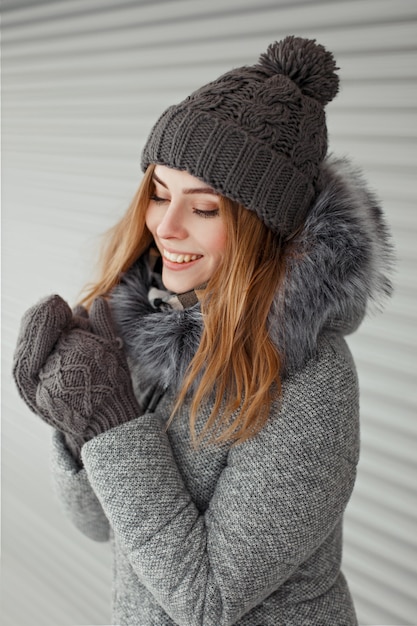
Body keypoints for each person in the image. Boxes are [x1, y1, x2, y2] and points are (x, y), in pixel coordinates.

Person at [13, 36, 393, 625]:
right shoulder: (153, 322)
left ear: (265, 226)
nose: (166, 226)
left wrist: (114, 421)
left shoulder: (313, 384)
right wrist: (75, 419)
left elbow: (206, 600)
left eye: (204, 207)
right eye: (159, 194)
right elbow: (95, 525)